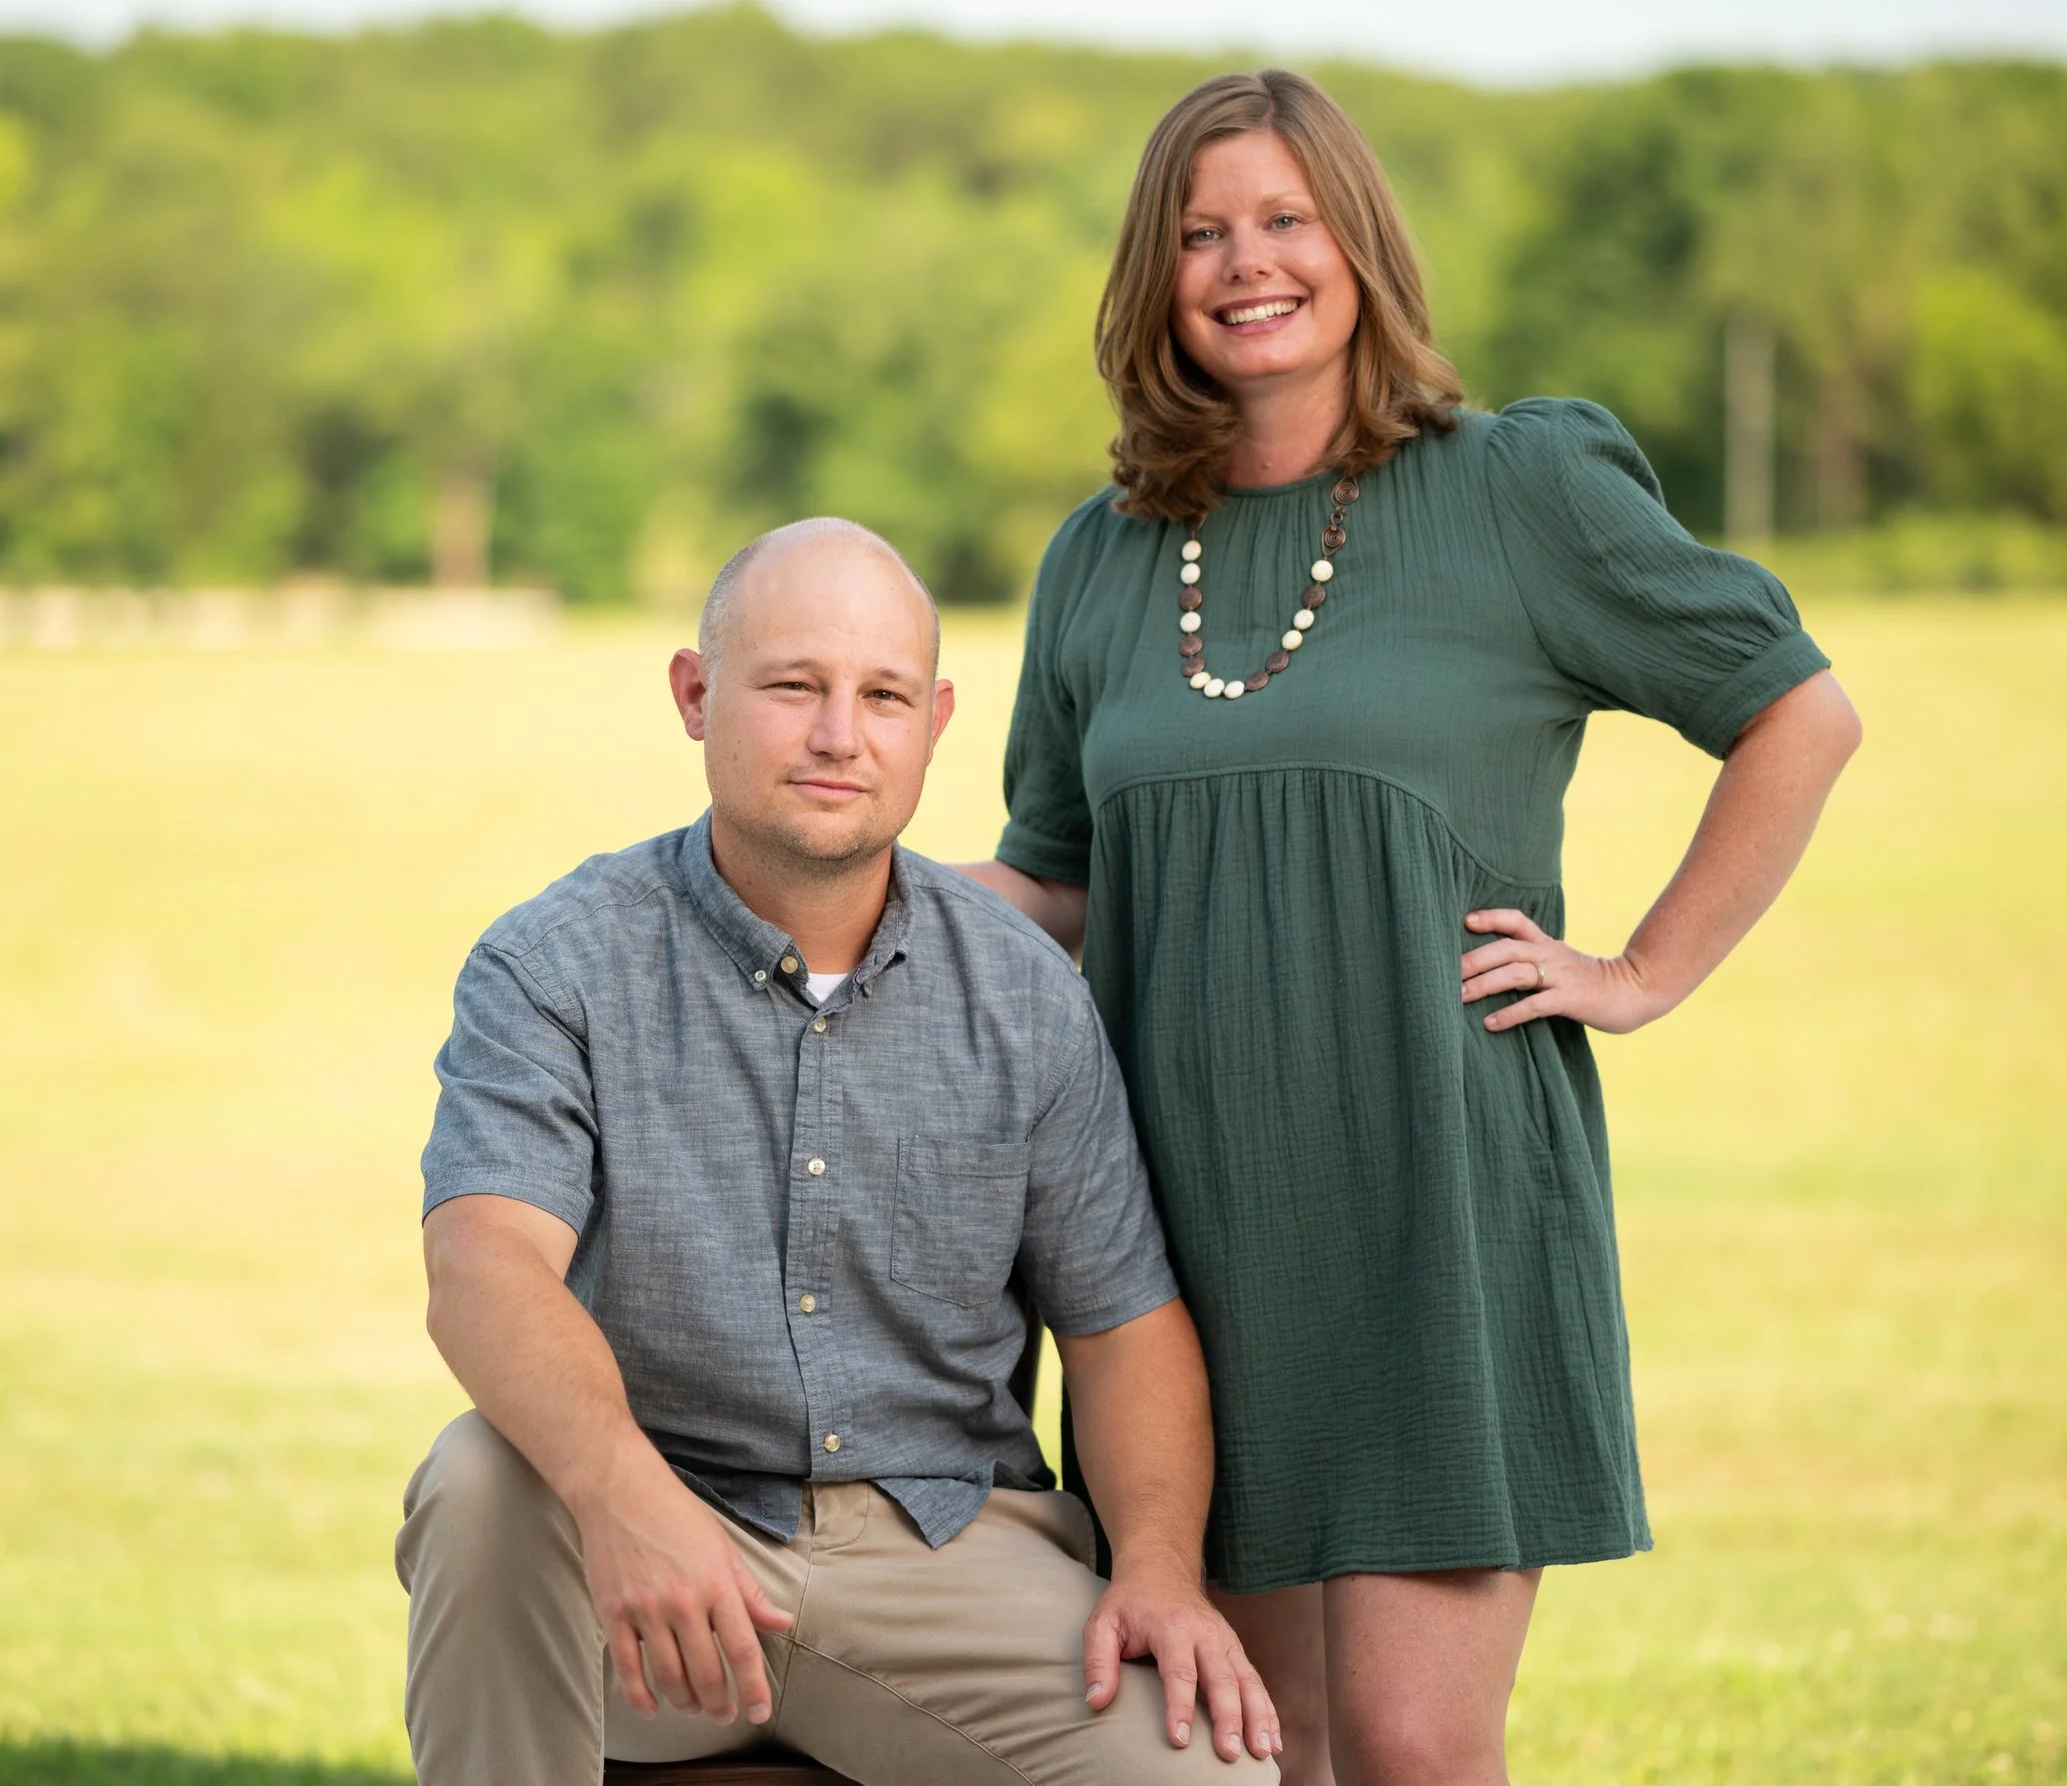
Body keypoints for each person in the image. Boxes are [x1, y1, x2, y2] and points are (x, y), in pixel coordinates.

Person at [961, 70, 1862, 1786]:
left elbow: (1797, 714)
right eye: (1200, 234)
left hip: (1435, 1209)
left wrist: (1645, 970)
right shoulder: (1102, 555)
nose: (1246, 264)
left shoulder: (1520, 489)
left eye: (1286, 220)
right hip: (1178, 1241)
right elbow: (1058, 881)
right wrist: (810, 893)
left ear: (1359, 241)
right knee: (1245, 1750)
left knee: (1407, 1750)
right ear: (1154, 279)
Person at [395, 518, 1283, 1785]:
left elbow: (1122, 1322)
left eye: (881, 696)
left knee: (1214, 1779)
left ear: (936, 720)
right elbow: (484, 1261)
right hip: (654, 1539)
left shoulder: (1023, 992)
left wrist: (1155, 1568)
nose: (837, 735)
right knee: (480, 1478)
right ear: (695, 696)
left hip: (942, 1555)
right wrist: (625, 1496)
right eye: (792, 685)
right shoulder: (556, 962)